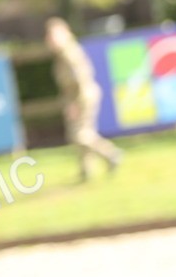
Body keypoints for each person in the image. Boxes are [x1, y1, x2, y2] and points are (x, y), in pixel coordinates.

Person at [45, 17, 122, 181]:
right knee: (82, 133)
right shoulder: (63, 54)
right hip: (79, 97)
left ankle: (111, 154)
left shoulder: (69, 53)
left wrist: (74, 104)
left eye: (54, 35)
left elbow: (80, 80)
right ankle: (86, 170)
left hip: (82, 97)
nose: (50, 40)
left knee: (80, 135)